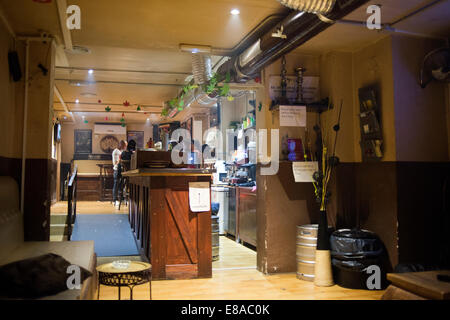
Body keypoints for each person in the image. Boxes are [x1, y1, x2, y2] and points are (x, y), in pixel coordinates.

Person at [112, 140, 127, 207]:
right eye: (125, 146)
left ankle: (121, 199)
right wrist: (121, 159)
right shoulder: (116, 151)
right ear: (121, 145)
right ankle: (114, 200)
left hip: (122, 170)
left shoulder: (122, 151)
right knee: (116, 185)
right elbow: (115, 163)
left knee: (121, 186)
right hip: (117, 170)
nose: (125, 147)